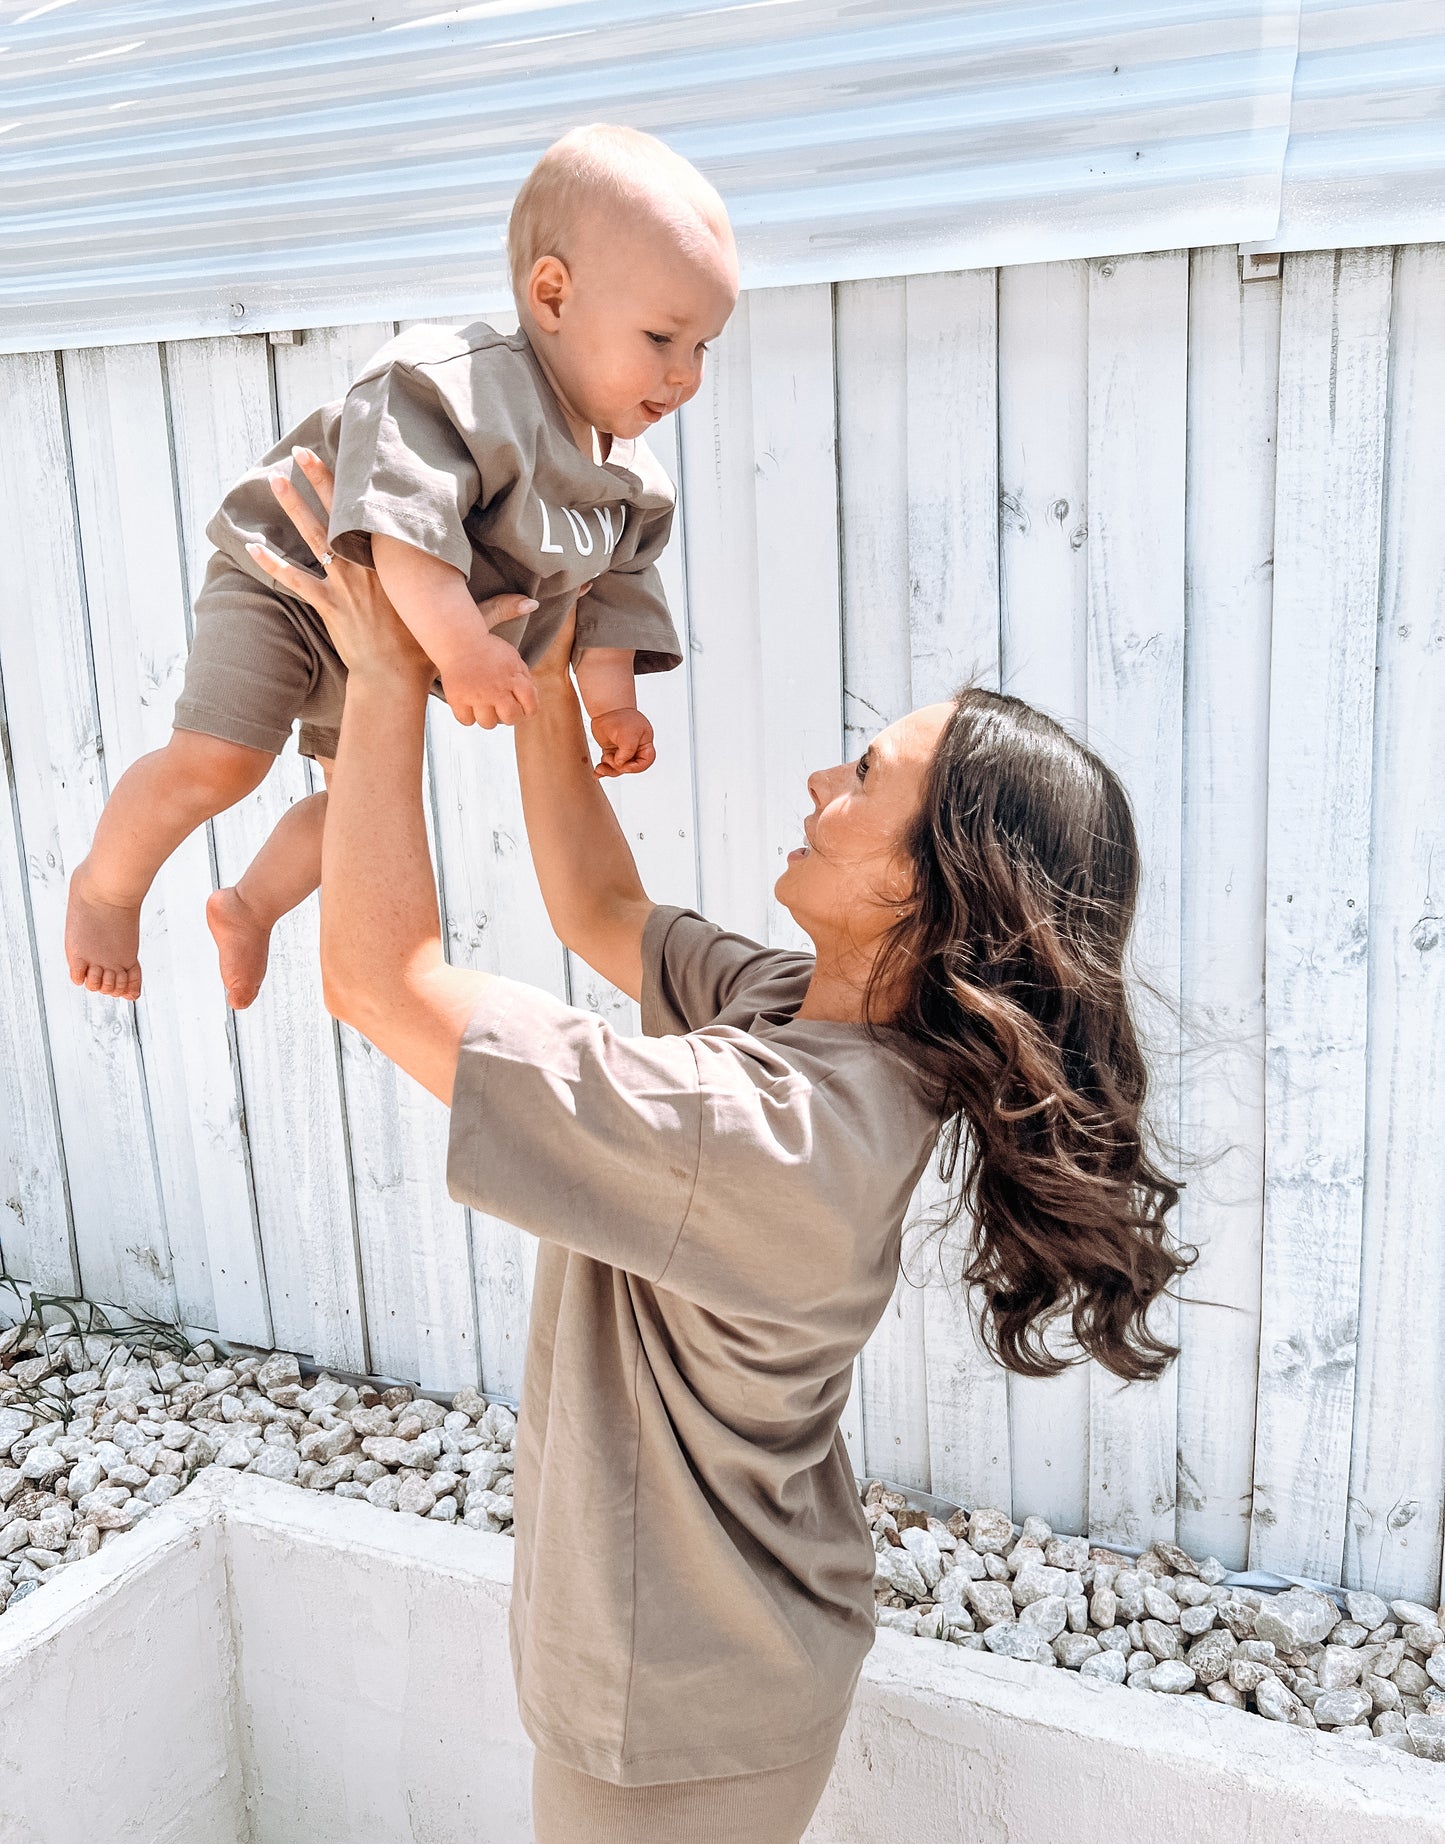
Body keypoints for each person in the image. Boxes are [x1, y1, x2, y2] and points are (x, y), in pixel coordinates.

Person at [248, 452, 1193, 1844]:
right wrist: (543, 671)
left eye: (865, 774)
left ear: (930, 895)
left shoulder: (761, 1129)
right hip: (727, 1658)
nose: (822, 777)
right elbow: (597, 898)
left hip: (679, 1718)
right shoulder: (814, 1017)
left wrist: (387, 679)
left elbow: (383, 982)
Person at [64, 123, 737, 1008]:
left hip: (389, 645)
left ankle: (248, 906)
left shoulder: (624, 482)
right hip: (292, 584)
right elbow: (403, 531)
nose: (684, 375)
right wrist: (462, 651)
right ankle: (106, 888)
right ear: (552, 295)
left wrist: (611, 701)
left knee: (359, 815)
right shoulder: (458, 386)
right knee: (222, 762)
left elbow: (611, 586)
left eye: (702, 348)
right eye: (661, 337)